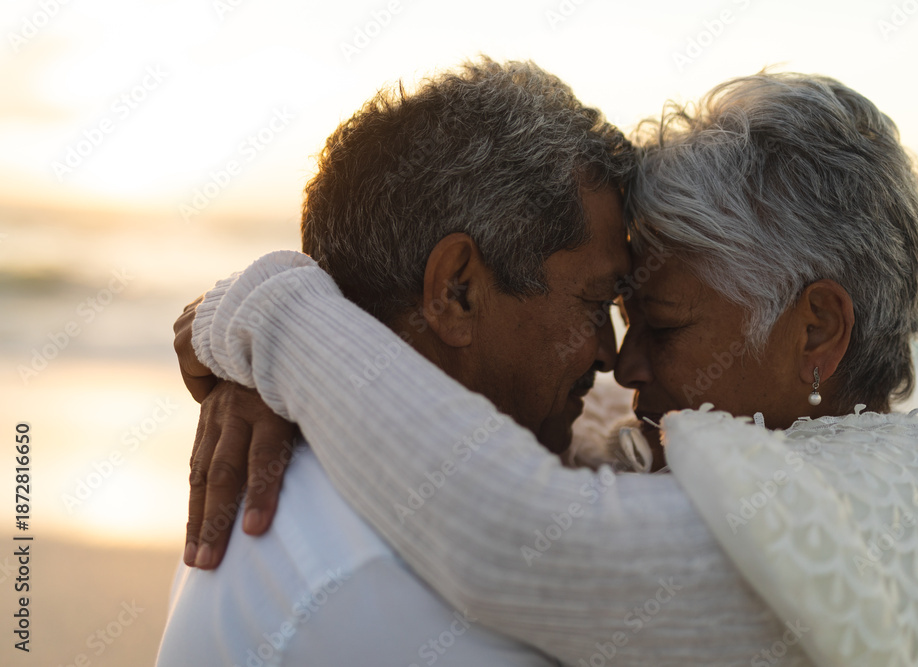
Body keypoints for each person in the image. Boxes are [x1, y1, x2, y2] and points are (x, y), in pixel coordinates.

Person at [173, 72, 918, 665]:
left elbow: (516, 531)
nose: (620, 363)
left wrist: (271, 311)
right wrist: (248, 347)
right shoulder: (671, 454)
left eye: (662, 323)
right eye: (610, 307)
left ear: (815, 328)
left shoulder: (884, 512)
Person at [156, 56, 635, 666]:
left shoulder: (317, 484)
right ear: (456, 291)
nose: (613, 355)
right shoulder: (387, 589)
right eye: (596, 303)